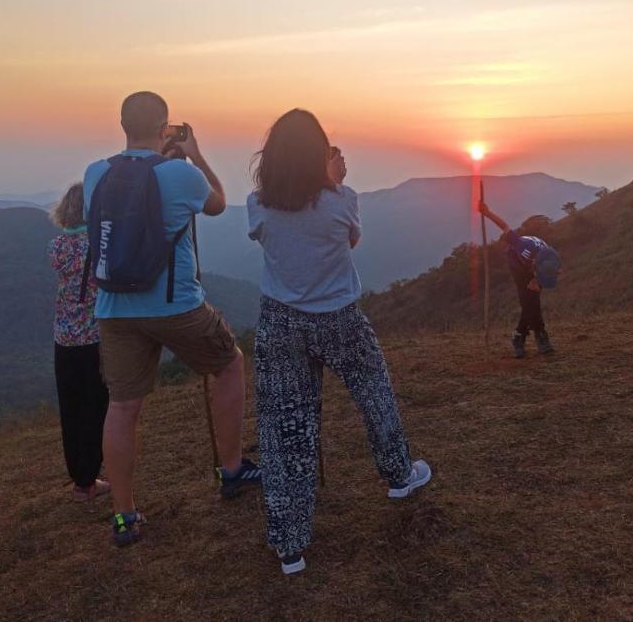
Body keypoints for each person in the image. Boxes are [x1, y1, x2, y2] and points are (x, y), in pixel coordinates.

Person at [248, 109, 431, 576]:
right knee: (374, 395)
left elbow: (273, 239)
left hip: (280, 321)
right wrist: (330, 183)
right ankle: (398, 476)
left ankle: (290, 546)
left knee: (285, 427)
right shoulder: (342, 200)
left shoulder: (258, 205)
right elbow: (347, 241)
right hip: (338, 316)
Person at [83, 91, 260, 548]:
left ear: (122, 124)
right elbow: (218, 202)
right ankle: (232, 468)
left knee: (122, 407)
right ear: (165, 127)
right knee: (228, 364)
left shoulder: (95, 172)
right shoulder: (179, 173)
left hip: (114, 309)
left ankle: (124, 516)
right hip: (175, 305)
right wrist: (195, 154)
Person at [50, 182, 111, 502]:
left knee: (70, 410)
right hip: (93, 337)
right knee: (95, 408)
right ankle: (89, 479)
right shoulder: (98, 244)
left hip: (63, 338)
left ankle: (79, 478)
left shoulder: (57, 245)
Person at [476, 202, 561, 358]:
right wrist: (487, 212)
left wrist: (538, 280)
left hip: (536, 266)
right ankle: (540, 336)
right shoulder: (523, 246)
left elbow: (554, 273)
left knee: (532, 302)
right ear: (534, 264)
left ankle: (519, 336)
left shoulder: (552, 258)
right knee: (528, 300)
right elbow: (504, 226)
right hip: (517, 267)